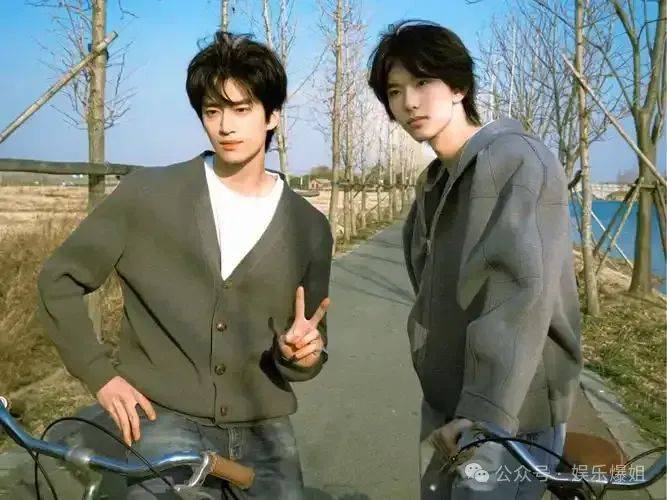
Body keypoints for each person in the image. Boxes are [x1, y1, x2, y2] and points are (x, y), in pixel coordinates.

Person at [37, 31, 333, 499]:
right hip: (162, 418)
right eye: (212, 111)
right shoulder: (147, 196)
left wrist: (302, 355)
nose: (225, 126)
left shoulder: (309, 227)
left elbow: (309, 340)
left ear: (273, 115)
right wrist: (100, 375)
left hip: (266, 426)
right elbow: (59, 280)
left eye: (242, 109)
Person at [367, 21, 582, 499]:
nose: (409, 102)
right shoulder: (433, 182)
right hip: (449, 404)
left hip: (508, 412)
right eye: (395, 91)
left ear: (459, 86)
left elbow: (520, 296)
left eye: (423, 82)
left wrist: (484, 415)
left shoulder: (516, 160)